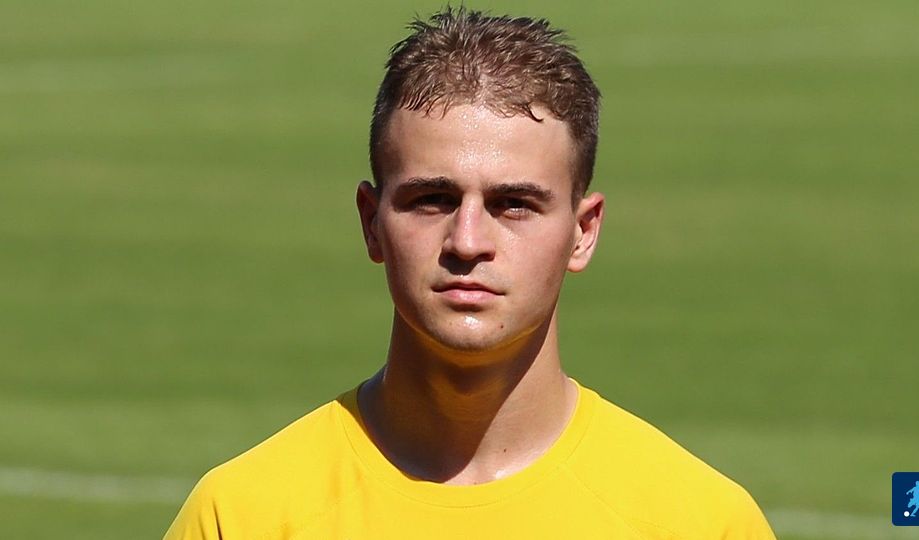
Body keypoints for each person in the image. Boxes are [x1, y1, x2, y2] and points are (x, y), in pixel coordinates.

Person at [165, 7, 776, 539]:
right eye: (431, 200)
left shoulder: (700, 522)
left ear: (583, 231)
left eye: (515, 204)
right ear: (372, 222)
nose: (467, 242)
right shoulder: (242, 517)